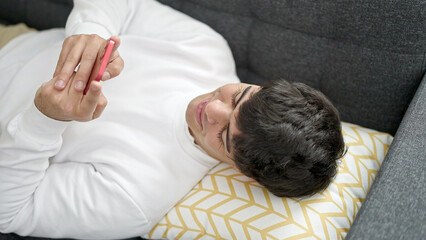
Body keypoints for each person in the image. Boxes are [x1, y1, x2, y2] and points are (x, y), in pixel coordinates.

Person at [0, 0, 345, 239]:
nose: (211, 109)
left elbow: (8, 211)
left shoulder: (135, 198)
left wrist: (45, 120)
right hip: (11, 39)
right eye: (236, 97)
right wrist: (93, 31)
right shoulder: (207, 49)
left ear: (240, 171)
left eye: (223, 135)